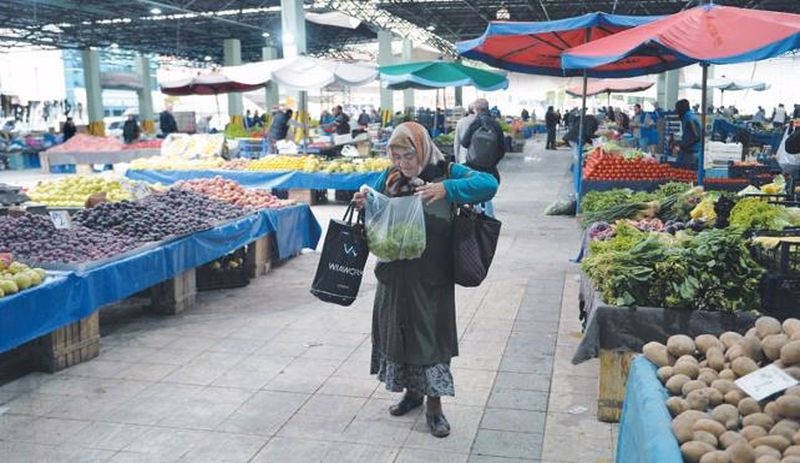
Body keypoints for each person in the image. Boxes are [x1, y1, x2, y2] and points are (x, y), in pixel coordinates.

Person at [351, 121, 498, 439]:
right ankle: (412, 394)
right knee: (399, 334)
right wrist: (365, 200)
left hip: (432, 276)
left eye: (408, 156)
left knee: (431, 338)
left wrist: (447, 189)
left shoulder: (447, 170)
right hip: (394, 274)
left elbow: (489, 184)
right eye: (396, 156)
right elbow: (374, 197)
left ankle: (435, 406)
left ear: (422, 149)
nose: (402, 164)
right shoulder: (390, 176)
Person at [461, 98, 505, 182]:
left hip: (473, 166)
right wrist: (493, 161)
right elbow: (502, 148)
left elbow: (464, 143)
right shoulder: (495, 124)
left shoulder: (475, 123)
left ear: (477, 109)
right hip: (490, 168)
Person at [673, 99, 702, 168]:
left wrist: (683, 146)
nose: (676, 112)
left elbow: (697, 136)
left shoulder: (689, 118)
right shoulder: (687, 116)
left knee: (685, 172)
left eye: (677, 109)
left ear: (681, 109)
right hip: (687, 151)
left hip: (691, 152)